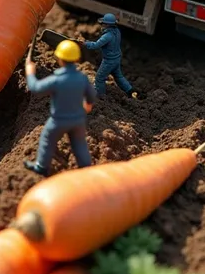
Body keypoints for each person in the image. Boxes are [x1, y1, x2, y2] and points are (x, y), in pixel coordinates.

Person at [24, 39, 96, 178]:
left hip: (58, 120)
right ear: (76, 59)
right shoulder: (82, 78)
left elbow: (36, 88)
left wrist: (30, 72)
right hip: (78, 120)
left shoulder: (56, 80)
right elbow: (92, 95)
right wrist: (87, 106)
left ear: (59, 59)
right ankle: (86, 169)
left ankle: (41, 167)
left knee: (47, 139)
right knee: (79, 143)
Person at [84, 13, 137, 98]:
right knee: (119, 76)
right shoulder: (117, 32)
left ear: (107, 25)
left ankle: (101, 97)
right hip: (116, 58)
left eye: (103, 24)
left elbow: (95, 45)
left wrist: (84, 43)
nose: (102, 25)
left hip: (109, 61)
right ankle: (130, 90)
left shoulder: (107, 36)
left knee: (99, 78)